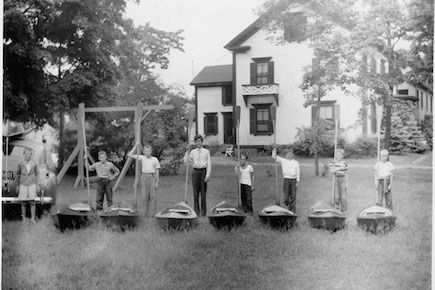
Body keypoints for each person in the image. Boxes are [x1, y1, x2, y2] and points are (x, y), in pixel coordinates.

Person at [128, 144, 161, 217]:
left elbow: (157, 171)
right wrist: (135, 147)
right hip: (144, 176)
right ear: (144, 152)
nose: (147, 153)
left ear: (151, 151)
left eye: (149, 151)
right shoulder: (142, 158)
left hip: (152, 176)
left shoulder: (155, 159)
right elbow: (130, 155)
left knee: (152, 196)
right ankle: (146, 213)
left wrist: (157, 181)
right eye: (146, 151)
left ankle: (152, 214)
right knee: (144, 196)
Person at [184, 135, 211, 216]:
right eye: (197, 141)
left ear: (202, 142)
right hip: (195, 172)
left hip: (203, 171)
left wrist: (207, 175)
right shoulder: (193, 152)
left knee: (203, 193)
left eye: (200, 141)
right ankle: (196, 211)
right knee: (195, 193)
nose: (198, 143)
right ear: (195, 143)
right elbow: (186, 161)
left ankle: (203, 212)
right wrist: (187, 151)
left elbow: (209, 163)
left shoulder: (206, 151)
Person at [272, 145, 300, 213]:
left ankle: (292, 210)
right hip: (287, 180)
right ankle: (287, 205)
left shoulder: (295, 162)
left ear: (293, 155)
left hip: (293, 180)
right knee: (286, 196)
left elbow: (298, 172)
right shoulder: (283, 161)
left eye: (291, 154)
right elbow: (274, 156)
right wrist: (274, 148)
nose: (289, 155)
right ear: (286, 155)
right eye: (288, 154)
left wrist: (297, 181)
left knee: (293, 196)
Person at [16, 148, 39, 223]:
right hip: (23, 184)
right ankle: (24, 219)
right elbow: (17, 174)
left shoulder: (35, 163)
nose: (28, 155)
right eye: (26, 154)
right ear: (24, 154)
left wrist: (37, 185)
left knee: (32, 202)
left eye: (29, 154)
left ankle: (32, 218)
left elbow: (37, 174)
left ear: (31, 155)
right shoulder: (20, 163)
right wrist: (17, 186)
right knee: (23, 203)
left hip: (32, 184)